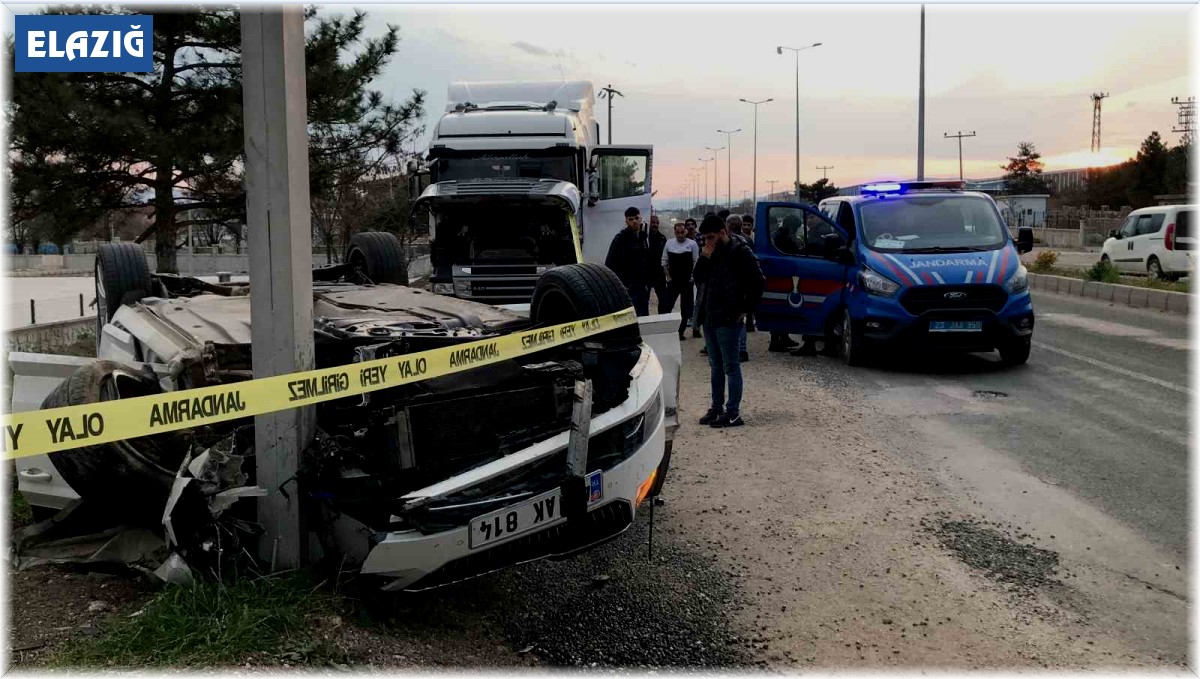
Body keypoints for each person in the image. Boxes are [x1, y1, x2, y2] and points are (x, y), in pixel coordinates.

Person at [694, 214, 764, 428]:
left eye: (711, 237)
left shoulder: (740, 251)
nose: (708, 242)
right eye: (705, 238)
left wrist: (745, 309)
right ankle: (717, 408)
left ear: (723, 232)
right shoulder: (709, 252)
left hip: (729, 318)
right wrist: (704, 258)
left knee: (731, 366)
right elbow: (697, 278)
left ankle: (733, 413)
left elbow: (758, 282)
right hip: (710, 316)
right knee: (715, 366)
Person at [605, 206, 649, 315]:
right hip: (629, 286)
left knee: (643, 316)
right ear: (626, 221)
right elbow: (610, 263)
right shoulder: (620, 239)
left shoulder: (643, 237)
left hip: (642, 285)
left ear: (640, 218)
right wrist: (621, 284)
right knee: (631, 317)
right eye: (631, 219)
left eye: (636, 218)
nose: (634, 221)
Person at [660, 221, 700, 339]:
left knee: (685, 308)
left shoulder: (692, 244)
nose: (681, 235)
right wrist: (668, 277)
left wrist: (692, 277)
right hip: (673, 281)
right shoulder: (669, 243)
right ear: (675, 232)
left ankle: (680, 331)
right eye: (678, 233)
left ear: (686, 231)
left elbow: (696, 262)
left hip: (687, 281)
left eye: (683, 232)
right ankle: (666, 330)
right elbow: (664, 262)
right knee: (667, 305)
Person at [644, 214, 668, 313]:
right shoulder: (643, 238)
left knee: (663, 300)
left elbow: (666, 257)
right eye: (653, 222)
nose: (655, 225)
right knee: (644, 301)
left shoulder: (662, 238)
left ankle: (662, 322)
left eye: (657, 223)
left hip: (659, 275)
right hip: (646, 275)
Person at [740, 214, 757, 333]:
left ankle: (750, 321)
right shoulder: (739, 238)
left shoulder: (755, 237)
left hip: (752, 271)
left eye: (748, 225)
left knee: (751, 297)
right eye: (744, 224)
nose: (746, 227)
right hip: (742, 273)